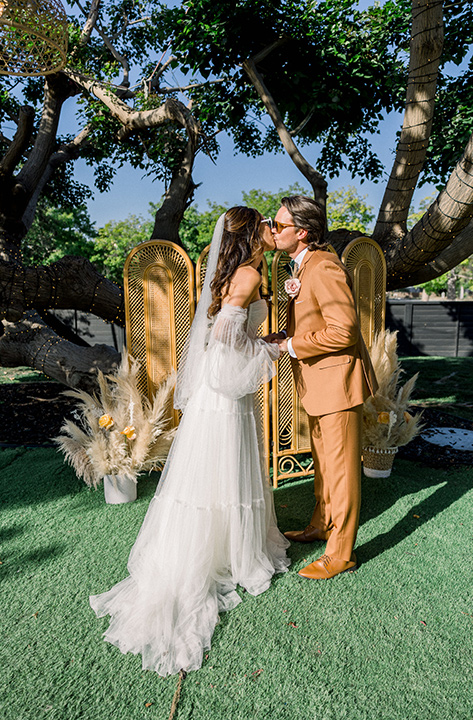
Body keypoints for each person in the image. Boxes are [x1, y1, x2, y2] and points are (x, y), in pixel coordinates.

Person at [89, 207, 289, 677]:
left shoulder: (234, 272)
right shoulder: (246, 272)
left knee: (215, 469)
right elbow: (224, 334)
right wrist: (270, 348)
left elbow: (227, 327)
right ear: (249, 232)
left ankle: (225, 542)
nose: (270, 230)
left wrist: (263, 336)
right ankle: (232, 552)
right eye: (265, 224)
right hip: (226, 391)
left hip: (218, 390)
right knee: (226, 465)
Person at [264, 195, 377, 580]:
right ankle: (321, 523)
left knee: (342, 470)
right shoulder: (304, 265)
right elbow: (316, 320)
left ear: (303, 232)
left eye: (279, 225)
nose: (273, 230)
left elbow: (343, 331)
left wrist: (292, 346)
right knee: (324, 462)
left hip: (337, 383)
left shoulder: (324, 265)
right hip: (318, 382)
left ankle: (341, 553)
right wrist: (287, 335)